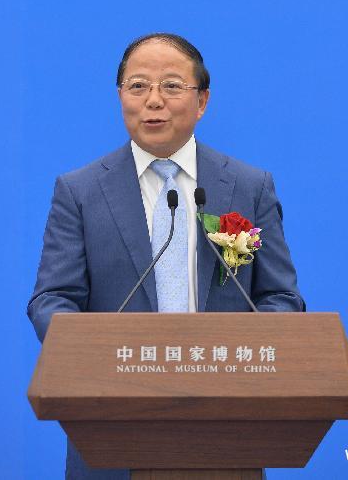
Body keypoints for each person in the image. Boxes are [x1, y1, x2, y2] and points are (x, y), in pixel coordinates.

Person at [28, 33, 305, 480]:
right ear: (120, 97)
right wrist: (93, 355)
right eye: (138, 86)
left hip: (225, 428)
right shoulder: (79, 192)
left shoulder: (249, 187)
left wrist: (246, 360)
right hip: (114, 430)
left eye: (172, 86)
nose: (153, 100)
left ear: (202, 102)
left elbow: (280, 299)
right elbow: (51, 299)